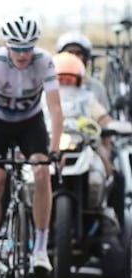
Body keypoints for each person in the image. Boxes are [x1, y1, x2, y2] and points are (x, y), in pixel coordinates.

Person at [0, 14, 63, 278]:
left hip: (30, 123)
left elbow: (56, 110)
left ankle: (40, 250)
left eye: (28, 48)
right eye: (17, 48)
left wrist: (55, 150)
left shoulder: (44, 61)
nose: (23, 54)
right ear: (7, 45)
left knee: (43, 173)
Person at [51, 52, 130, 227]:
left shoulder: (88, 99)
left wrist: (112, 127)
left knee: (113, 174)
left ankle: (117, 225)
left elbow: (104, 119)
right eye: (60, 79)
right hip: (51, 147)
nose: (64, 84)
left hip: (85, 146)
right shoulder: (43, 98)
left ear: (80, 80)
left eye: (69, 79)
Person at [55, 31, 110, 111]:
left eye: (78, 53)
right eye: (69, 52)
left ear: (85, 57)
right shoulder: (49, 85)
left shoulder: (96, 87)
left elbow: (104, 119)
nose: (73, 57)